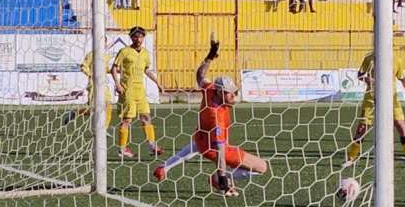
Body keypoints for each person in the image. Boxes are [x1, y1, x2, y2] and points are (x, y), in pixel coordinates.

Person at [167, 34, 268, 196]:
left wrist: (210, 56)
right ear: (221, 93)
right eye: (230, 94)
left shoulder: (211, 90)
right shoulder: (216, 116)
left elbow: (199, 76)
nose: (234, 97)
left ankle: (220, 177)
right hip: (214, 149)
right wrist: (222, 178)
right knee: (262, 167)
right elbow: (220, 152)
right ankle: (217, 179)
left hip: (202, 141)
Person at [343, 52, 405, 169]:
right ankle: (351, 158)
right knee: (362, 129)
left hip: (391, 100)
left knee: (401, 127)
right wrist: (368, 79)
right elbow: (360, 74)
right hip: (371, 99)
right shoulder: (369, 58)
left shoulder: (396, 59)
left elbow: (403, 78)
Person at [111, 26, 164, 158]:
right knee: (127, 119)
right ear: (131, 37)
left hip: (140, 90)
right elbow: (114, 68)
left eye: (140, 36)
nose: (138, 39)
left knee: (146, 117)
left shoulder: (145, 53)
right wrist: (117, 84)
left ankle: (152, 146)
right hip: (127, 90)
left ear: (143, 38)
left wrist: (158, 83)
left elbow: (146, 70)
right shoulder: (124, 51)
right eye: (135, 36)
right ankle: (122, 149)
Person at [63, 38, 113, 129]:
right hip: (93, 84)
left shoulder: (106, 56)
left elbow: (105, 69)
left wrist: (112, 70)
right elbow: (83, 67)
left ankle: (104, 129)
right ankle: (76, 112)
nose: (103, 45)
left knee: (108, 105)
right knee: (95, 109)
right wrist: (91, 75)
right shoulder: (91, 54)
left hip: (103, 84)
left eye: (104, 43)